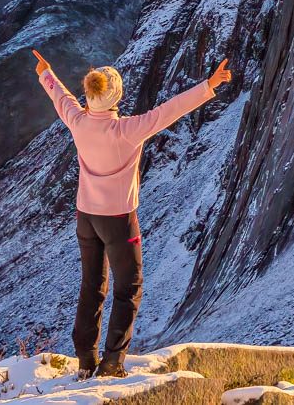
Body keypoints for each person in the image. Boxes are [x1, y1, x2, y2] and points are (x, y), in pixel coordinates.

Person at [34, 49, 231, 379]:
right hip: (118, 220)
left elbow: (60, 97)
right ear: (115, 96)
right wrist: (209, 84)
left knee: (92, 285)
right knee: (129, 287)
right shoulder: (128, 130)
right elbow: (170, 111)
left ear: (90, 95)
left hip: (86, 217)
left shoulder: (78, 121)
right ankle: (112, 362)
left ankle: (85, 358)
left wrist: (45, 72)